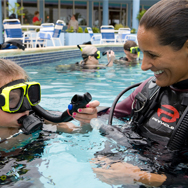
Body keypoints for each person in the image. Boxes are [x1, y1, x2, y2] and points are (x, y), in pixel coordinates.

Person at [72, 0, 188, 186]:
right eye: (143, 54)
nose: (143, 66)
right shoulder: (148, 89)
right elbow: (109, 115)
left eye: (153, 55)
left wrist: (145, 177)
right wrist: (90, 115)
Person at [0, 58, 91, 153]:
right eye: (11, 99)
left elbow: (79, 132)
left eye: (26, 95)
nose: (26, 107)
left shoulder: (41, 122)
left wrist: (86, 123)